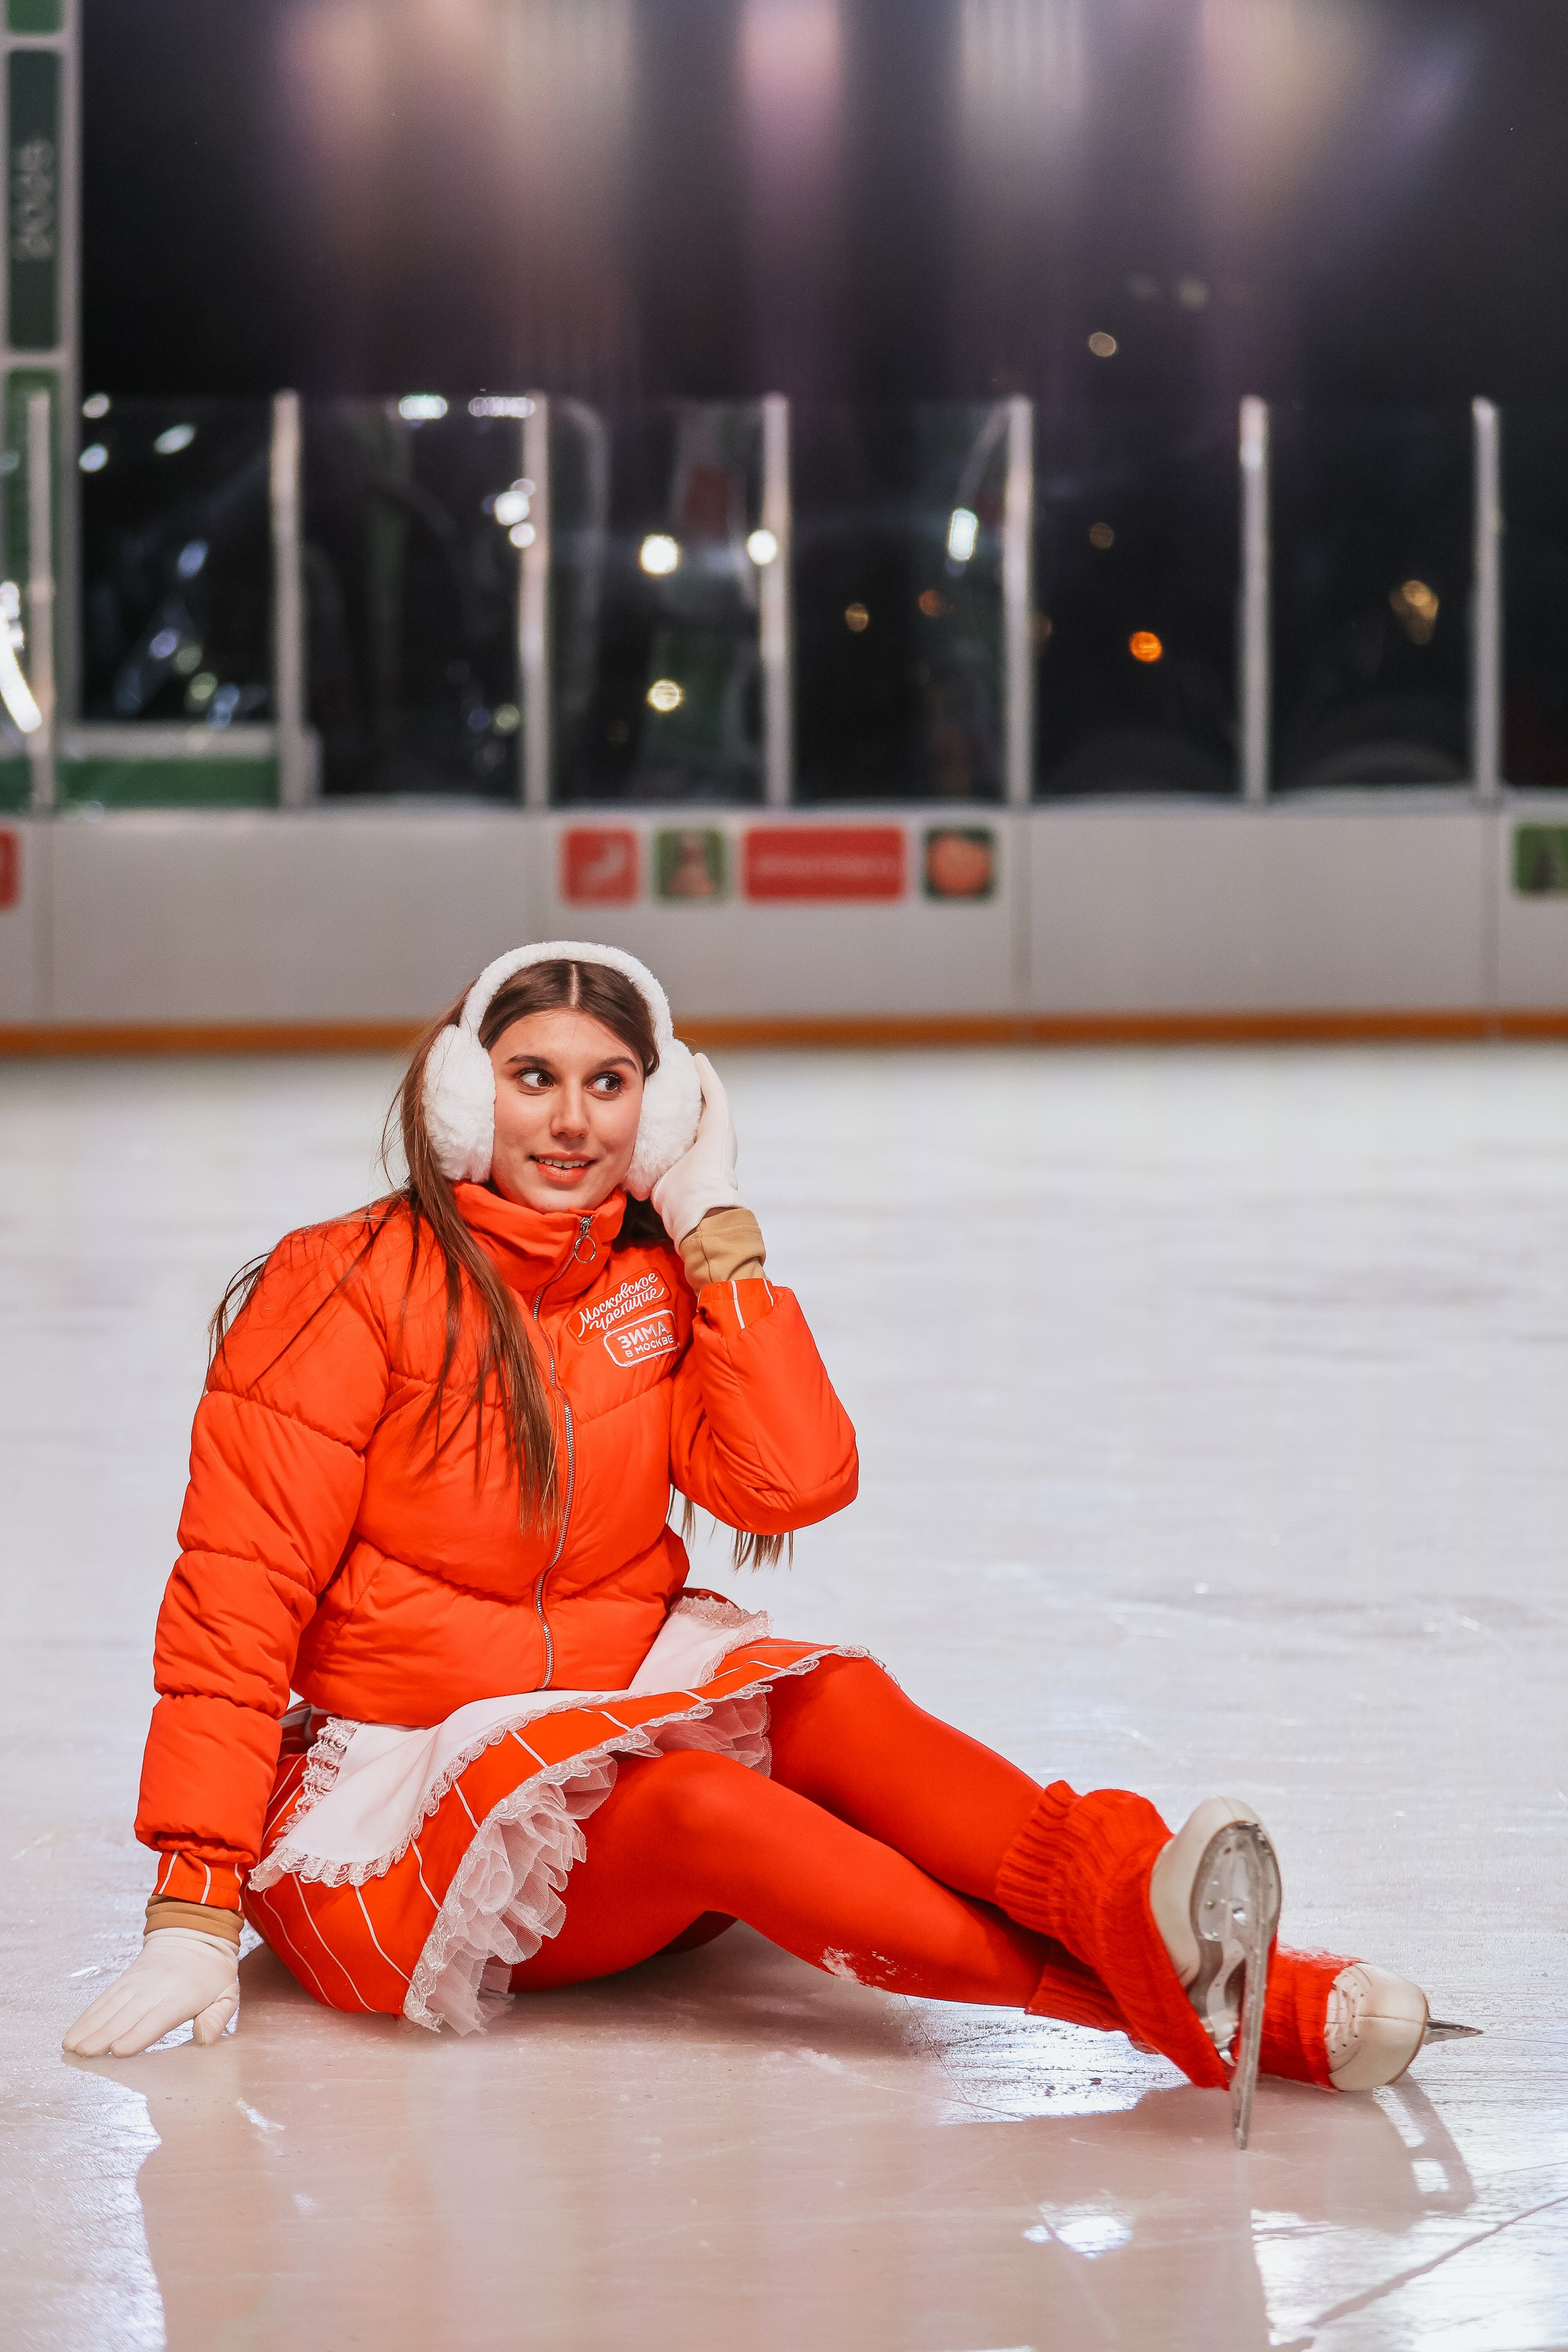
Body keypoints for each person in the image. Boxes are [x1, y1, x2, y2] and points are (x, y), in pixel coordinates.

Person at [64, 941, 1462, 2141]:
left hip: (601, 1737)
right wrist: (194, 1908)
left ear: (657, 1111)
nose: (569, 1122)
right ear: (452, 1095)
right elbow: (234, 1602)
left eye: (609, 1085)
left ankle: (1131, 1894)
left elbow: (791, 1483)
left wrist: (716, 1236)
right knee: (702, 1807)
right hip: (410, 1838)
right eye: (531, 1077)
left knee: (829, 1697)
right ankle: (1252, 2008)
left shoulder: (654, 1281)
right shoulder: (340, 1288)